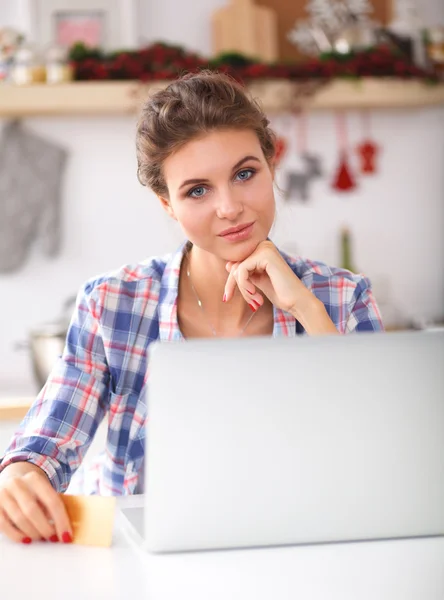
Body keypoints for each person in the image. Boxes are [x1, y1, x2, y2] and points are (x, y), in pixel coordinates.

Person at [0, 71, 383, 545]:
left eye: (245, 174)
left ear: (271, 167)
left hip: (296, 547)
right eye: (197, 190)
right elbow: (49, 440)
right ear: (167, 204)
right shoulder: (113, 302)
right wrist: (21, 473)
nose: (229, 207)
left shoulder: (343, 297)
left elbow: (380, 454)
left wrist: (303, 306)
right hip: (141, 560)